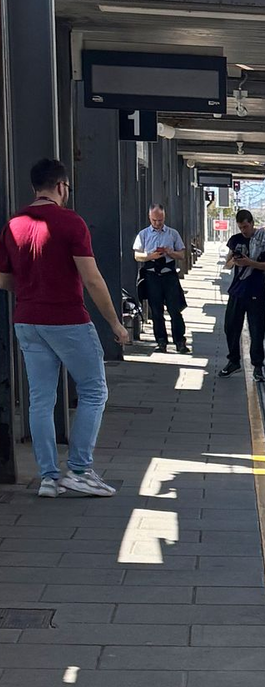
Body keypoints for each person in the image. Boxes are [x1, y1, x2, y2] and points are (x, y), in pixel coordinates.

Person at [0, 158, 129, 498]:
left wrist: (32, 291)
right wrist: (115, 323)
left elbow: (4, 279)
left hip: (27, 320)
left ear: (35, 187)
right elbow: (92, 279)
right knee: (94, 390)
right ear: (61, 186)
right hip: (67, 320)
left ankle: (48, 478)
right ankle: (80, 471)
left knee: (40, 400)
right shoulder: (71, 222)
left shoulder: (13, 224)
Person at [220, 209, 265, 384]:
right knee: (230, 326)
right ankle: (233, 361)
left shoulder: (263, 238)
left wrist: (249, 262)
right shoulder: (235, 240)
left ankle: (257, 366)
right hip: (237, 291)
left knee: (257, 330)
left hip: (255, 291)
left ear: (252, 223)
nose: (243, 230)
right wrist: (235, 261)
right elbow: (227, 265)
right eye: (240, 227)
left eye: (245, 227)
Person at [133, 203, 189, 354]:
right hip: (152, 275)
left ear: (164, 217)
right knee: (156, 311)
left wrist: (170, 252)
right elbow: (137, 255)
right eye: (154, 220)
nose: (157, 223)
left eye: (160, 220)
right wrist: (150, 256)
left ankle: (180, 341)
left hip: (169, 275)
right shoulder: (143, 234)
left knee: (174, 310)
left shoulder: (172, 234)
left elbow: (182, 254)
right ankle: (161, 341)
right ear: (149, 218)